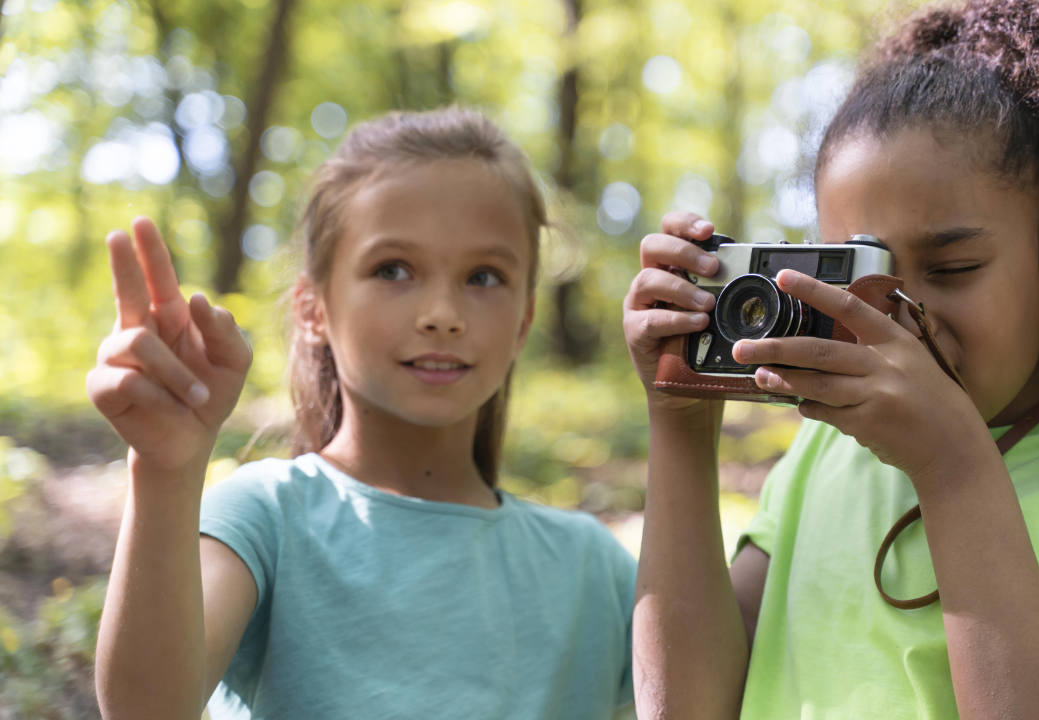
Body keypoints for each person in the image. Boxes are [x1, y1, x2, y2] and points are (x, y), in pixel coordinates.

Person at [623, 0, 1039, 717]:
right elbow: (683, 707)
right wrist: (678, 422)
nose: (903, 313)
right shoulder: (823, 457)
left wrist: (954, 469)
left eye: (953, 268)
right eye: (858, 272)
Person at [89, 108, 636, 720]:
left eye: (484, 276)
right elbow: (145, 709)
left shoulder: (595, 567)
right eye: (392, 270)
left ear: (524, 321)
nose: (442, 313)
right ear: (312, 307)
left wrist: (684, 422)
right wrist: (165, 472)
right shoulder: (264, 520)